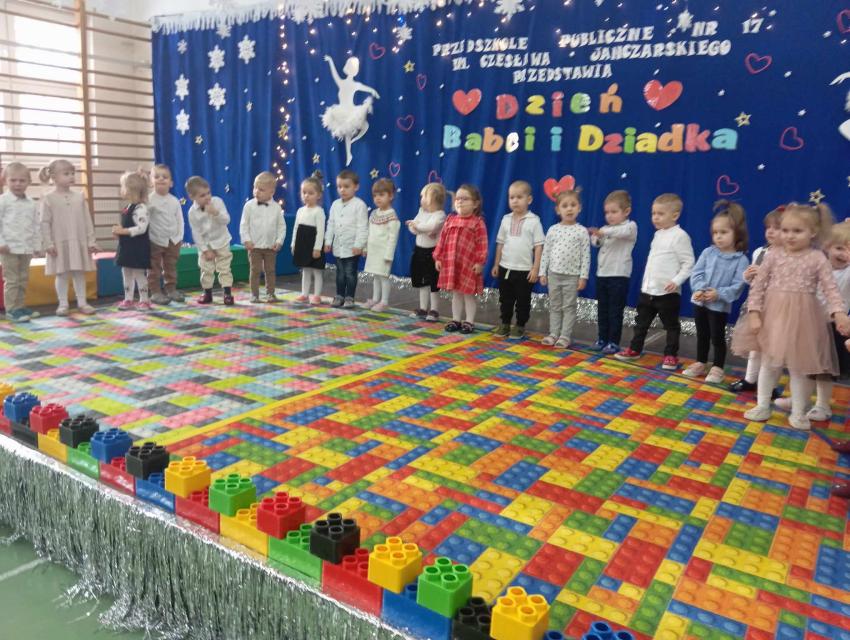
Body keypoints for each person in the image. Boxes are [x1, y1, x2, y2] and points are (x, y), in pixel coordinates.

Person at [736, 203, 850, 431]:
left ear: (813, 232)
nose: (789, 236)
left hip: (805, 318)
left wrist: (839, 314)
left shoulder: (817, 258)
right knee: (769, 363)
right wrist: (754, 313)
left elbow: (831, 290)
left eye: (797, 231)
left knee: (800, 368)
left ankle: (798, 411)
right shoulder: (773, 255)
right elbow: (758, 286)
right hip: (773, 316)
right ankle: (762, 405)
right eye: (785, 230)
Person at [774, 220, 850, 421]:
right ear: (827, 247)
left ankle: (822, 405)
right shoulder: (819, 267)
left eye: (849, 250)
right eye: (839, 248)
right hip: (809, 324)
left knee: (824, 370)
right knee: (804, 366)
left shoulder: (848, 272)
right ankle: (800, 399)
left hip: (833, 328)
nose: (844, 254)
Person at [615, 193, 694, 370]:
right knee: (641, 323)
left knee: (671, 326)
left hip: (668, 293)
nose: (655, 217)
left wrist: (676, 281)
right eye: (653, 213)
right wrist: (646, 284)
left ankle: (670, 355)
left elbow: (688, 263)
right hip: (649, 291)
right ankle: (635, 349)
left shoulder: (680, 236)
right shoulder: (658, 234)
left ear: (675, 215)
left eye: (660, 214)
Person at [682, 201, 749, 383]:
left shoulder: (741, 260)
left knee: (717, 337)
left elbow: (738, 285)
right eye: (715, 233)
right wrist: (700, 289)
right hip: (700, 301)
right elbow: (697, 273)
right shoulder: (708, 252)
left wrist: (718, 294)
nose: (718, 237)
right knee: (702, 334)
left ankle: (718, 367)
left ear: (737, 233)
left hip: (719, 307)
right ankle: (700, 362)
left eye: (724, 232)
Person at [728, 207, 784, 393]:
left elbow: (788, 282)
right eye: (768, 227)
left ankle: (771, 386)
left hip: (777, 307)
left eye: (776, 228)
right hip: (757, 306)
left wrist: (764, 275)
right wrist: (747, 276)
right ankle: (750, 379)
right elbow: (751, 279)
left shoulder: (787, 256)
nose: (770, 231)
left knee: (773, 350)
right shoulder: (760, 251)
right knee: (755, 347)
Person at [39, 159, 98, 316]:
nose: (71, 176)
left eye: (72, 173)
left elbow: (87, 220)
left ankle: (82, 302)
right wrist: (48, 243)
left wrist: (91, 241)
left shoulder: (79, 197)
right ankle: (63, 303)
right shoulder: (48, 198)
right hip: (59, 244)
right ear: (54, 177)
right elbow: (44, 223)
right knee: (62, 274)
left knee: (79, 273)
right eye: (66, 173)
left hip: (78, 242)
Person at [491, 180, 545, 340]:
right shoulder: (505, 219)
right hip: (505, 267)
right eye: (511, 197)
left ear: (529, 199)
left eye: (519, 197)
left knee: (523, 300)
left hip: (524, 270)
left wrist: (535, 268)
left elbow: (539, 246)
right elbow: (500, 243)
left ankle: (520, 325)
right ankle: (505, 323)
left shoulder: (534, 221)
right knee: (505, 299)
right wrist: (496, 264)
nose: (515, 201)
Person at [433, 184, 488, 334]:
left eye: (465, 199)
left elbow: (482, 245)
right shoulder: (450, 220)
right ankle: (456, 319)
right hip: (452, 264)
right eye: (457, 198)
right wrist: (438, 257)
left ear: (475, 204)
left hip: (468, 265)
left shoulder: (477, 223)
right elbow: (442, 240)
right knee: (456, 294)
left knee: (468, 295)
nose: (460, 201)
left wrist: (480, 262)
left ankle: (469, 321)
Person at [539, 190, 590, 348]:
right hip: (554, 274)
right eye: (565, 206)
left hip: (572, 276)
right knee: (555, 305)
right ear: (558, 210)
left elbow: (586, 256)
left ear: (579, 208)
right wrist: (542, 272)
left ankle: (565, 335)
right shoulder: (553, 230)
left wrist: (583, 277)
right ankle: (553, 333)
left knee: (569, 307)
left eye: (573, 205)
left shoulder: (582, 231)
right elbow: (546, 252)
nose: (569, 209)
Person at [588, 190, 637, 354]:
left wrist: (603, 232)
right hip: (602, 275)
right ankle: (602, 338)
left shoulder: (630, 226)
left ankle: (614, 342)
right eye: (607, 212)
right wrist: (596, 237)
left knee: (615, 310)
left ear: (626, 211)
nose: (609, 216)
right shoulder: (605, 228)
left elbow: (621, 233)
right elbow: (596, 243)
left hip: (619, 276)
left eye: (614, 212)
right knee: (602, 309)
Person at [0, 162, 41, 322]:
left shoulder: (31, 203)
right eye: (13, 180)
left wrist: (37, 245)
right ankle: (11, 309)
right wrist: (1, 242)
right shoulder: (3, 201)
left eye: (22, 180)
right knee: (12, 280)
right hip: (8, 249)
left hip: (26, 248)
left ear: (28, 182)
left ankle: (20, 306)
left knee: (23, 279)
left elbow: (35, 225)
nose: (17, 184)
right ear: (5, 181)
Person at [321, 56, 380, 166]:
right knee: (348, 131)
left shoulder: (354, 85)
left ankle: (353, 144)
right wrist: (330, 61)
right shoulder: (342, 83)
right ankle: (349, 154)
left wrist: (373, 91)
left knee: (363, 127)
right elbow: (334, 74)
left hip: (350, 110)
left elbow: (367, 88)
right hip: (342, 110)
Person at [186, 176, 233, 305]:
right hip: (205, 245)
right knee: (206, 269)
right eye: (202, 195)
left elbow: (227, 220)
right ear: (192, 197)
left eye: (208, 193)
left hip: (222, 241)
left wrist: (215, 213)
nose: (207, 197)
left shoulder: (217, 202)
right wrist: (205, 250)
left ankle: (227, 293)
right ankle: (207, 293)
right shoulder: (192, 212)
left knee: (224, 268)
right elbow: (196, 234)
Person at [324, 169, 368, 308]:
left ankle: (349, 297)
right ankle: (339, 295)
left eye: (346, 186)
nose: (342, 190)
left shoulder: (359, 205)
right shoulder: (335, 204)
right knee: (340, 274)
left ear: (356, 187)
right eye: (339, 186)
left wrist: (359, 245)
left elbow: (362, 227)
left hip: (352, 247)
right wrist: (328, 241)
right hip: (339, 246)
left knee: (350, 273)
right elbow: (331, 224)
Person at [240, 171, 285, 304]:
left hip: (270, 247)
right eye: (255, 188)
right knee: (254, 271)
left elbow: (281, 227)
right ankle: (254, 295)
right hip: (254, 246)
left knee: (270, 270)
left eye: (261, 189)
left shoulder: (276, 208)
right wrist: (246, 240)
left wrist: (279, 241)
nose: (256, 192)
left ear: (272, 192)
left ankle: (270, 294)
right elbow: (243, 225)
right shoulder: (249, 206)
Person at [407, 183, 447, 321]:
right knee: (422, 282)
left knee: (433, 283)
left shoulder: (440, 215)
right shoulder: (421, 212)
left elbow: (431, 226)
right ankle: (423, 308)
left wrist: (417, 226)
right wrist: (418, 227)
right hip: (419, 251)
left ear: (432, 199)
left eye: (423, 196)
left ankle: (434, 310)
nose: (421, 199)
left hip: (433, 253)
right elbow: (412, 228)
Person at [112, 171, 151, 310]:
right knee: (126, 273)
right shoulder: (127, 207)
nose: (121, 189)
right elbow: (127, 226)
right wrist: (118, 232)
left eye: (122, 186)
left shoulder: (141, 208)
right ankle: (128, 299)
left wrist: (123, 231)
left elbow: (142, 228)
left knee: (139, 274)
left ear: (131, 189)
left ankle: (144, 300)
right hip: (126, 247)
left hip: (137, 248)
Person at [147, 164, 185, 305]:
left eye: (165, 177)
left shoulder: (174, 201)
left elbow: (180, 220)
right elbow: (144, 219)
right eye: (157, 177)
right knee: (154, 267)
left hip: (173, 240)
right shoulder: (149, 200)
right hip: (155, 240)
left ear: (171, 183)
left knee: (171, 267)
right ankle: (155, 292)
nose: (161, 179)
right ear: (151, 182)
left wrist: (179, 237)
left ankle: (171, 289)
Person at [363, 178, 400, 312]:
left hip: (383, 253)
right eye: (375, 195)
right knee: (376, 276)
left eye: (381, 195)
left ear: (391, 196)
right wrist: (365, 247)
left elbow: (392, 238)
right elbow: (369, 231)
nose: (377, 198)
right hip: (373, 251)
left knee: (383, 276)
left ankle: (384, 301)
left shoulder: (392, 217)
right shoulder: (373, 214)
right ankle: (375, 298)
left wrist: (389, 255)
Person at [291, 171, 326, 304]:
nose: (306, 196)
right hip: (302, 244)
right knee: (305, 270)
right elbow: (296, 229)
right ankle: (304, 294)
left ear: (318, 195)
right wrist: (293, 244)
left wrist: (317, 248)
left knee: (317, 271)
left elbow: (320, 232)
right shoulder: (300, 211)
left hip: (314, 245)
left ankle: (317, 295)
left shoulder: (319, 211)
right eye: (304, 192)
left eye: (310, 193)